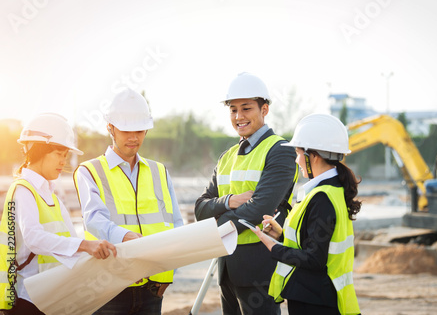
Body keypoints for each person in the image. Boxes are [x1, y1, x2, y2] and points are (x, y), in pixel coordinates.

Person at [195, 72, 297, 315]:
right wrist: (229, 200)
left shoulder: (280, 150)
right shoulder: (226, 156)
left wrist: (215, 228)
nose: (239, 116)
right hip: (227, 267)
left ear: (265, 109)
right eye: (233, 110)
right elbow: (200, 208)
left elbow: (260, 208)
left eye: (246, 108)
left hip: (260, 267)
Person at [74, 90, 183, 315]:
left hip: (153, 288)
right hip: (109, 288)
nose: (133, 137)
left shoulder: (159, 171)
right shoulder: (89, 171)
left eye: (140, 130)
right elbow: (94, 219)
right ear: (110, 128)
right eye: (126, 130)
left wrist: (167, 273)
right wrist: (126, 238)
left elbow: (175, 225)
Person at [0, 113, 117, 315]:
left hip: (50, 297)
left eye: (65, 156)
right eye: (58, 154)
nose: (63, 162)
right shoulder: (23, 190)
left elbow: (71, 242)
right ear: (37, 151)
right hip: (27, 300)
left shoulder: (50, 195)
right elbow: (34, 238)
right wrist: (86, 245)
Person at [250, 113, 362, 315]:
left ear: (314, 156)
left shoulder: (322, 198)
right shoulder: (331, 190)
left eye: (298, 153)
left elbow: (314, 259)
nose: (296, 159)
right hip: (319, 296)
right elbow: (317, 243)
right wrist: (282, 235)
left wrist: (274, 248)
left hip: (315, 300)